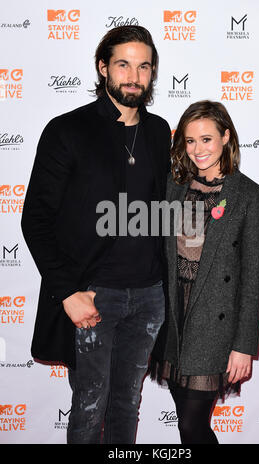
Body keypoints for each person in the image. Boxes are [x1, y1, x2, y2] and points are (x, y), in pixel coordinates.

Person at [21, 26, 171, 444]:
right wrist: (68, 292)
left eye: (143, 66)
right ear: (103, 67)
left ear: (153, 72)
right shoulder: (67, 131)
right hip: (91, 296)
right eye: (123, 64)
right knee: (89, 405)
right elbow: (35, 220)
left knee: (128, 403)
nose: (133, 76)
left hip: (148, 296)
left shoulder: (160, 132)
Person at [150, 100, 259, 444]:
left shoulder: (250, 196)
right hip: (173, 319)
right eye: (190, 141)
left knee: (192, 426)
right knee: (187, 427)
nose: (198, 149)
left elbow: (253, 280)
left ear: (226, 137)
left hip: (213, 327)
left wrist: (244, 346)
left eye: (206, 139)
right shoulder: (174, 188)